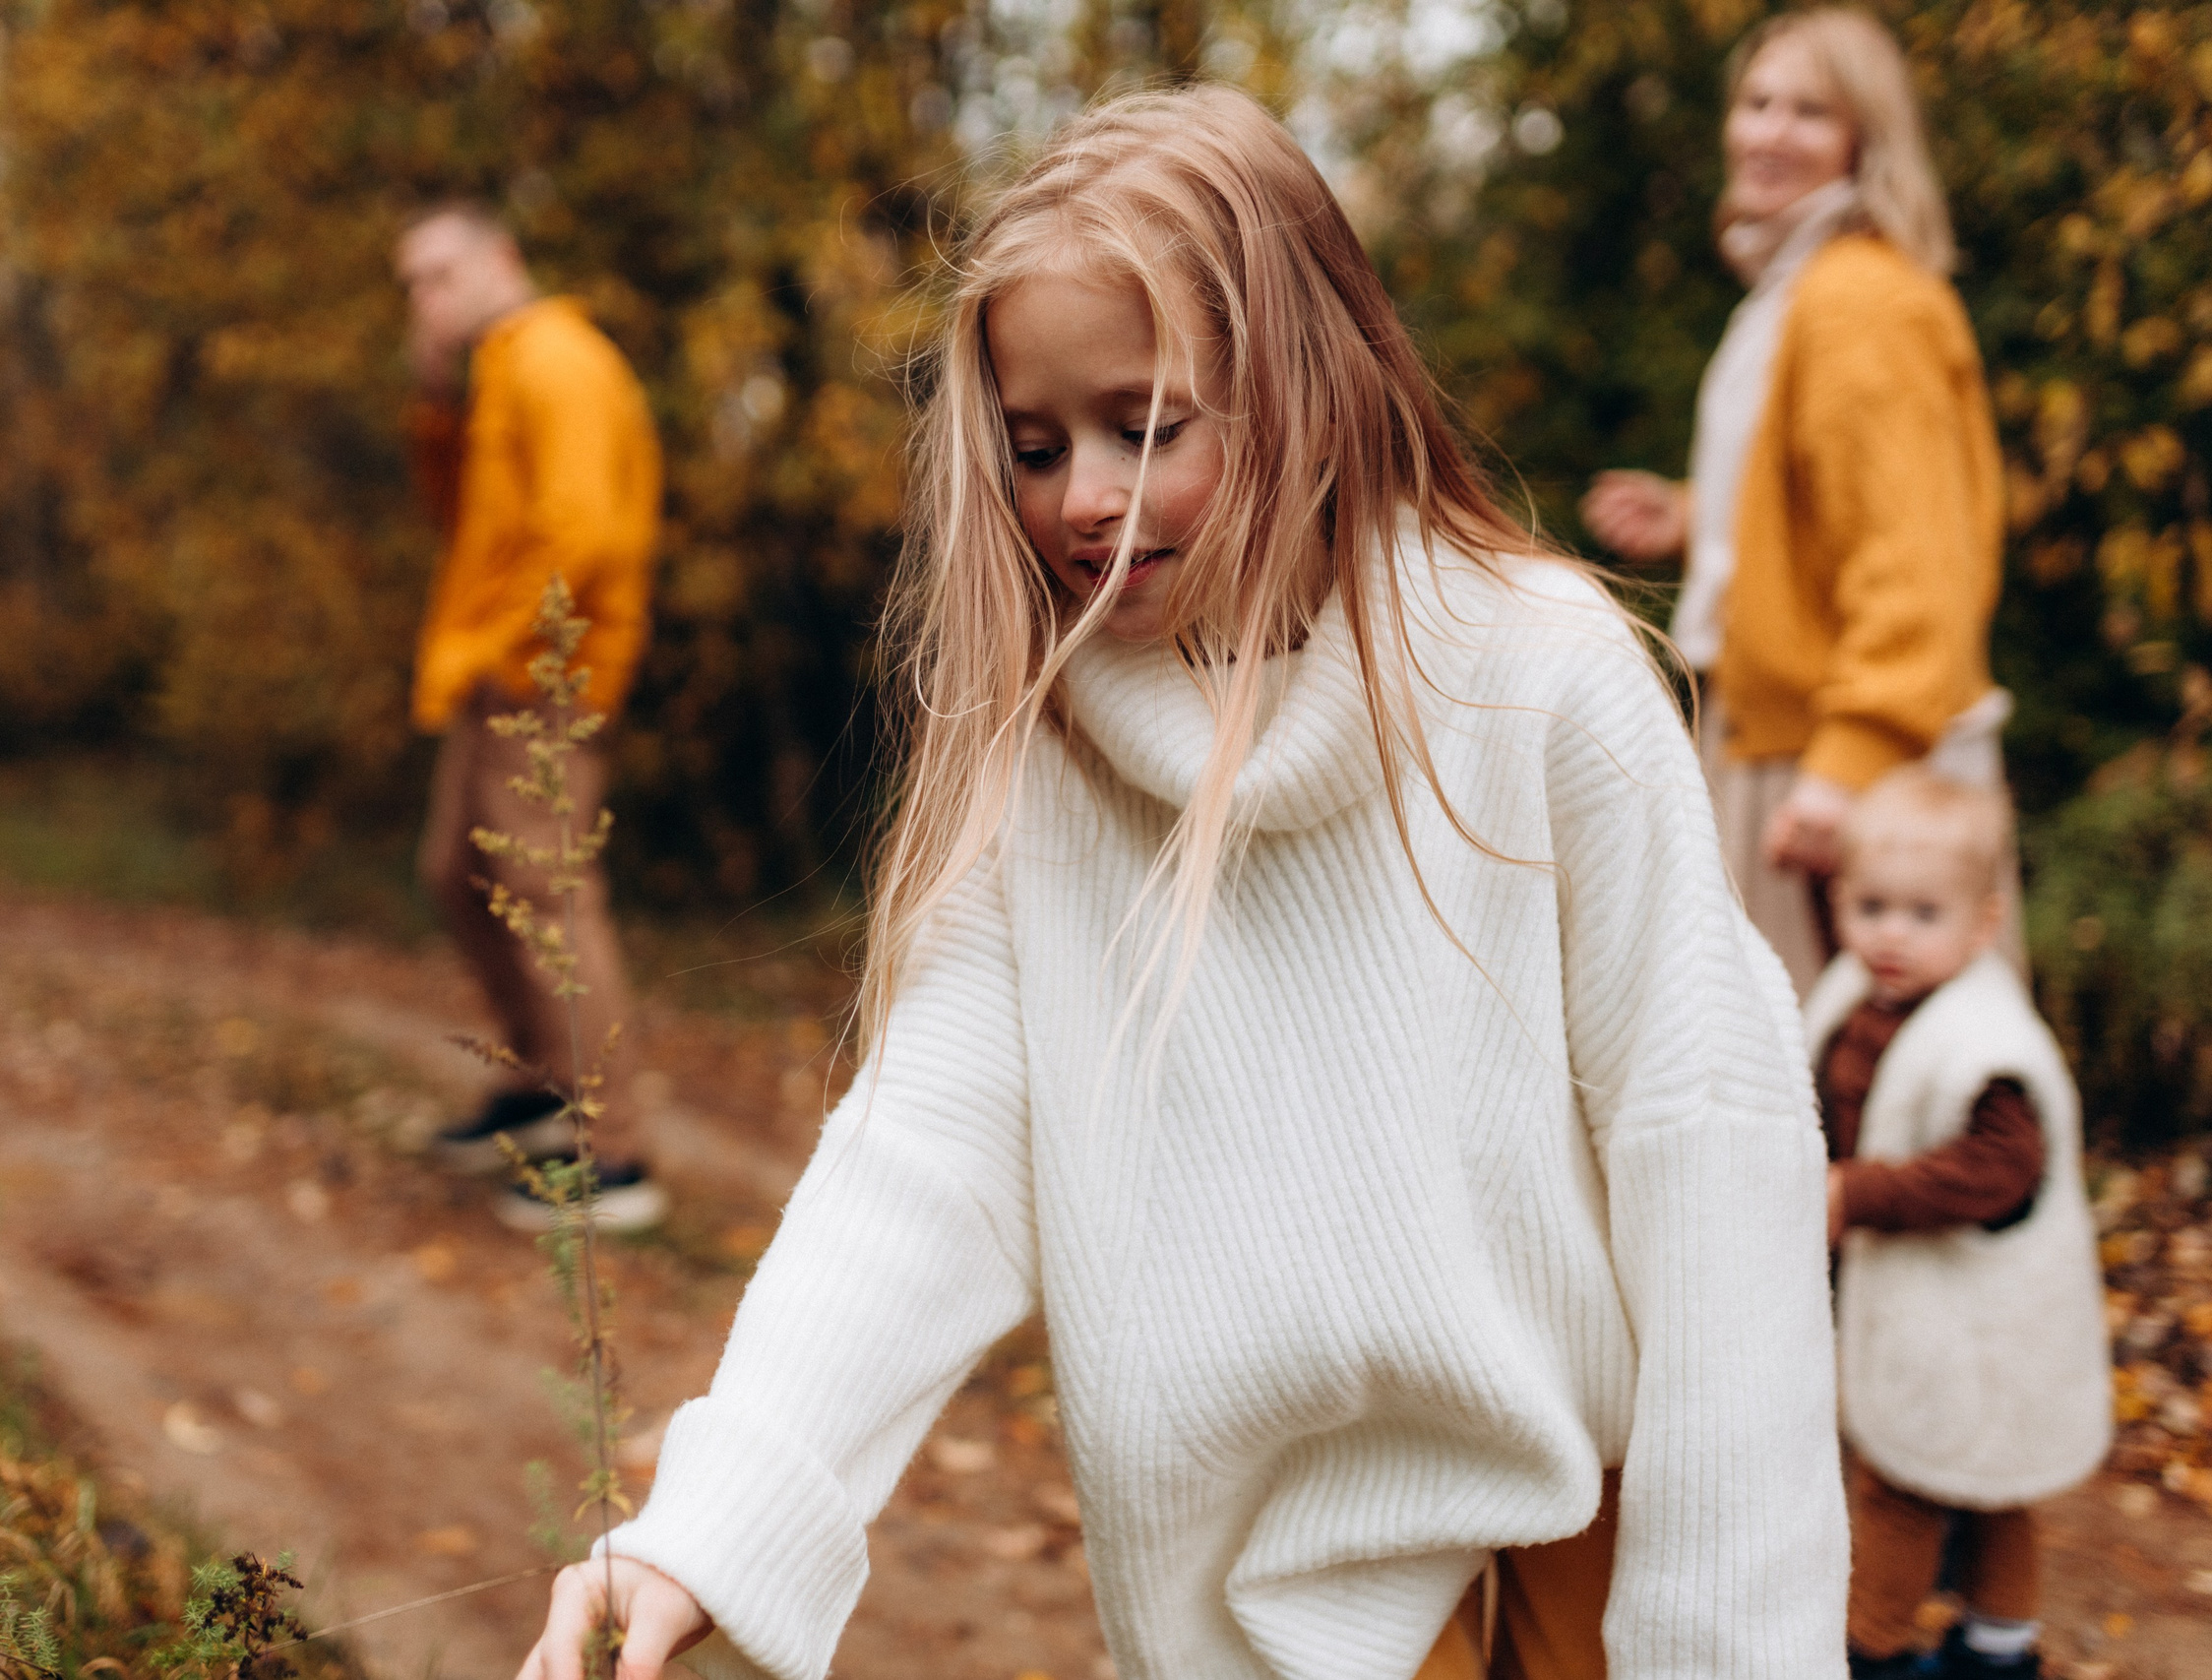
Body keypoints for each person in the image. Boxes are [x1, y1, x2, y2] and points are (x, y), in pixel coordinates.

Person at [525, 86, 1846, 1680]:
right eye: (1035, 444)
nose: (1083, 493)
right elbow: (923, 1159)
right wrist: (713, 1518)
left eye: (1146, 426)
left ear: (1311, 384)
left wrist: (1731, 1640)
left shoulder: (1536, 676)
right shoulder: (1050, 756)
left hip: (1598, 1538)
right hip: (1272, 1605)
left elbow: (1708, 1140)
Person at [1580, 8, 2013, 996]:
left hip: (1847, 771)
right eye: (1756, 101)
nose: (1767, 131)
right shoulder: (1795, 289)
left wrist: (1845, 768)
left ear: (1865, 139)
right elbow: (1832, 504)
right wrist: (1701, 515)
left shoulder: (1857, 299)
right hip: (1788, 740)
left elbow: (1917, 559)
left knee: (1880, 1107)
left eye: (1809, 111)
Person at [394, 203, 666, 1233]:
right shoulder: (500, 367)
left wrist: (503, 653)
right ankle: (544, 1085)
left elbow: (584, 533)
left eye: (443, 272)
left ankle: (618, 1151)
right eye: (412, 283)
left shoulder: (557, 360)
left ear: (502, 258)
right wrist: (432, 400)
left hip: (547, 669)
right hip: (497, 668)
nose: (427, 296)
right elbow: (463, 519)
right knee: (458, 872)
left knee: (546, 897)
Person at [1803, 768, 2110, 1679]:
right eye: (1870, 905)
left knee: (1913, 1488)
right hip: (1915, 1312)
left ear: (1983, 923)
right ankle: (1995, 1647)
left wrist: (1855, 1194)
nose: (1889, 933)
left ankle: (1874, 1648)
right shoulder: (1868, 996)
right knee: (1974, 1484)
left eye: (1922, 914)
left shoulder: (1987, 1043)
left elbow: (2001, 1169)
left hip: (1974, 1322)